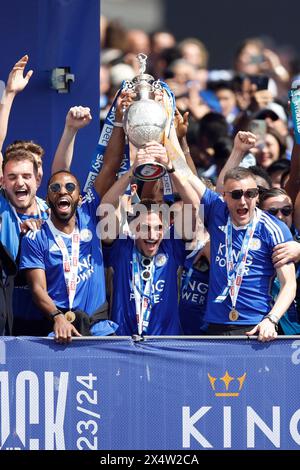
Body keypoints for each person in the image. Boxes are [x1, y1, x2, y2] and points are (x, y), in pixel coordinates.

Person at [101, 141, 200, 336]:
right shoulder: (121, 247)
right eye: (145, 228)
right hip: (123, 343)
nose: (153, 235)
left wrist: (170, 168)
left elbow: (194, 205)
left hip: (166, 345)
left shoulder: (172, 246)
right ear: (133, 229)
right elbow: (106, 205)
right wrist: (133, 171)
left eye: (158, 228)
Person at [190, 165, 296, 342]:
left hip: (256, 326)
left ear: (257, 196)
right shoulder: (218, 213)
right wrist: (168, 150)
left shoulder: (274, 229)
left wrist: (271, 320)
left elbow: (289, 284)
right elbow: (186, 177)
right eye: (237, 194)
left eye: (250, 194)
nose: (243, 200)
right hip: (216, 325)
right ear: (224, 196)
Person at [19, 170, 117, 343]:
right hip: (60, 331)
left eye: (70, 187)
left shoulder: (89, 214)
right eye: (55, 187)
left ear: (79, 198)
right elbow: (37, 289)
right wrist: (57, 317)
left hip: (99, 330)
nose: (63, 191)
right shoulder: (34, 237)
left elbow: (109, 166)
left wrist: (135, 166)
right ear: (48, 199)